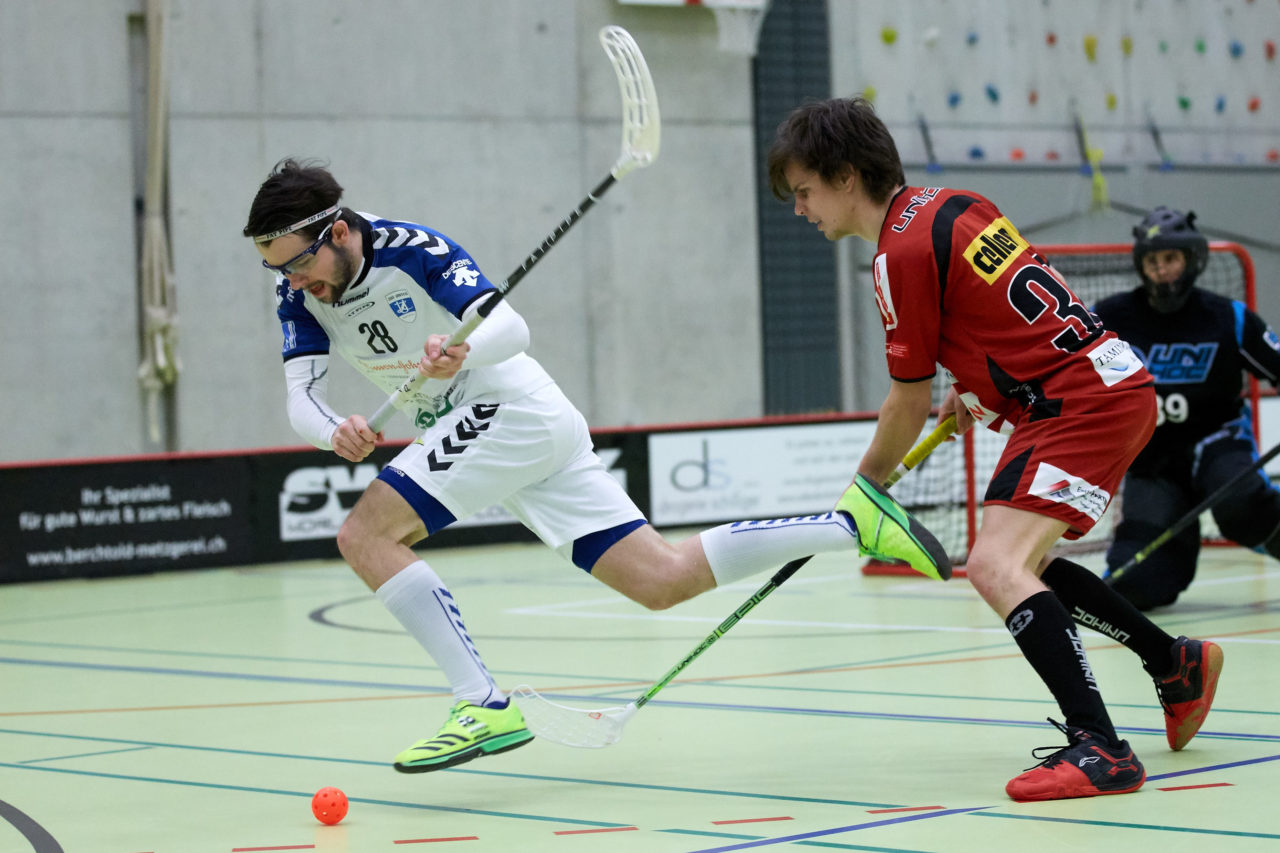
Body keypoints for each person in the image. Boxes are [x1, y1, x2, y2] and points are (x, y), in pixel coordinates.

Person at [243, 158, 948, 775]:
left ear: (337, 233)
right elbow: (300, 394)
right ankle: (849, 524)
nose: (293, 281)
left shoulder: (416, 251)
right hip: (506, 434)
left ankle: (481, 702)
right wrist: (336, 431)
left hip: (505, 408)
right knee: (662, 581)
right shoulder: (297, 288)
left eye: (298, 262)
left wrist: (464, 350)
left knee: (365, 536)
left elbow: (511, 330)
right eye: (278, 268)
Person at [766, 98, 1224, 802]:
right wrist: (977, 385)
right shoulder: (952, 203)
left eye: (803, 191)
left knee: (994, 563)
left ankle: (1101, 746)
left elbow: (904, 401)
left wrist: (866, 486)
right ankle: (1174, 663)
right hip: (1104, 382)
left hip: (1080, 403)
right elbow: (1005, 314)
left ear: (846, 176)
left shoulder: (898, 254)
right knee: (1026, 561)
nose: (800, 209)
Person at [1093, 206, 1280, 609]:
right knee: (1135, 585)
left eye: (1171, 259)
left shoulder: (1228, 318)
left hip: (1218, 443)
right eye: (1152, 261)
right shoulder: (1110, 318)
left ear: (1192, 260)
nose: (1161, 270)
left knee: (1241, 506)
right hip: (1152, 461)